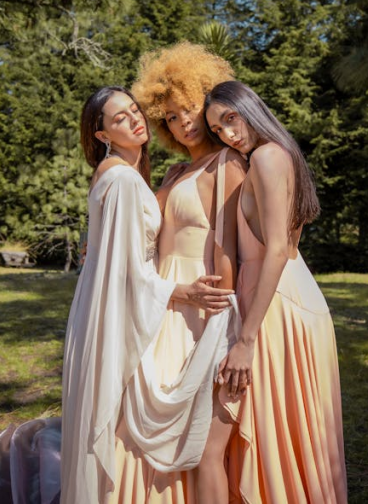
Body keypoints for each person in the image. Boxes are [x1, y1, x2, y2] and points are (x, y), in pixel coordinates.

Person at [60, 85, 239, 504]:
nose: (135, 119)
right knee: (124, 420)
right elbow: (123, 273)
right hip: (130, 305)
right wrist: (183, 292)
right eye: (119, 118)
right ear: (103, 136)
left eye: (135, 110)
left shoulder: (127, 175)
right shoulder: (121, 179)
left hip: (125, 307)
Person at [108, 42, 247, 504]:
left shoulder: (228, 165)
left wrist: (224, 324)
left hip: (196, 311)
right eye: (169, 117)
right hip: (161, 301)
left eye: (187, 109)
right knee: (135, 418)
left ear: (205, 101)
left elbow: (228, 247)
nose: (181, 121)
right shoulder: (176, 170)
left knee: (185, 428)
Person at [204, 80, 348, 504]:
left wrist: (246, 339)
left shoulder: (267, 157)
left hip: (275, 309)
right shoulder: (276, 156)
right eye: (217, 129)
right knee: (277, 432)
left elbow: (279, 250)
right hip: (284, 299)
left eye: (230, 119)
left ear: (250, 108)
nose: (228, 134)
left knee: (239, 435)